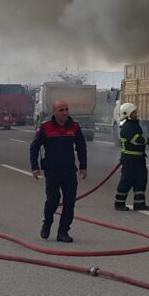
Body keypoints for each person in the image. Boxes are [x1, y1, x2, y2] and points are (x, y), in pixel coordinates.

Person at [30, 100, 87, 243]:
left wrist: (83, 167)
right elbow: (34, 147)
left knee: (69, 203)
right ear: (54, 112)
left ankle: (63, 232)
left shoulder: (74, 127)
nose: (65, 112)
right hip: (52, 171)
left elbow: (81, 147)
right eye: (61, 110)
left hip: (69, 171)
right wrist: (34, 167)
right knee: (53, 200)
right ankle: (47, 223)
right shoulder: (46, 127)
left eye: (66, 109)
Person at [115, 102, 149, 211]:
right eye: (134, 112)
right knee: (127, 180)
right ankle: (119, 204)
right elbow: (136, 140)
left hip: (138, 159)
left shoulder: (134, 124)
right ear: (127, 114)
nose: (136, 114)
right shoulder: (128, 126)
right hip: (130, 159)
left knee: (141, 180)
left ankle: (139, 204)